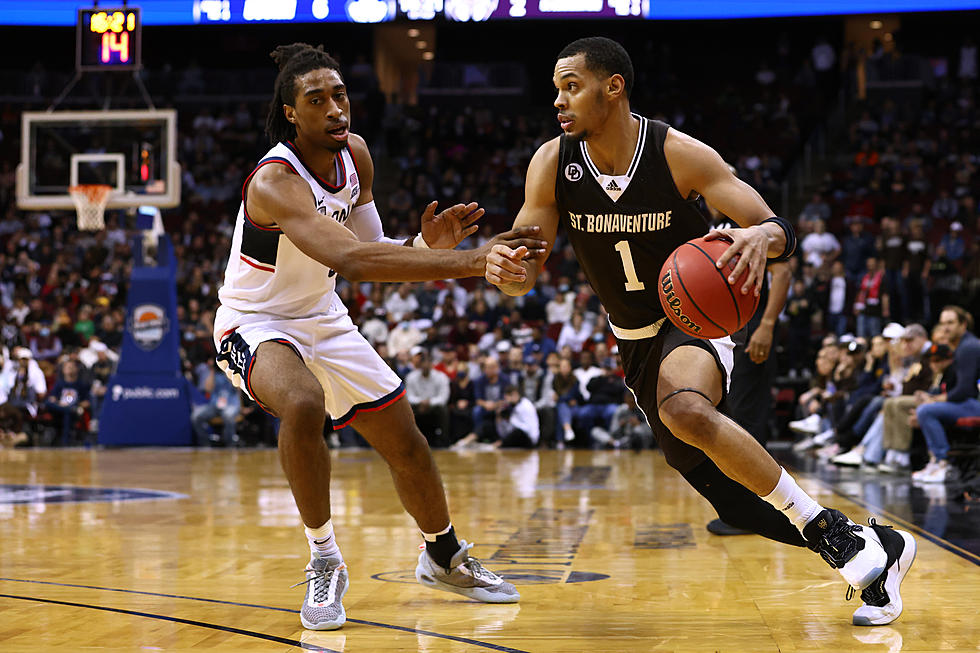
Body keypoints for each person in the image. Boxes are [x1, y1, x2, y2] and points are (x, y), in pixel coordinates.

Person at [484, 37, 914, 627]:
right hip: (631, 339)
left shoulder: (678, 153)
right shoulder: (552, 164)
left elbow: (775, 226)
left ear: (613, 87)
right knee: (737, 501)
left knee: (685, 409)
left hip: (693, 320)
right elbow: (524, 272)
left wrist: (761, 237)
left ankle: (845, 543)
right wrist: (505, 270)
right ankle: (873, 545)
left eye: (571, 85)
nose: (558, 99)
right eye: (556, 88)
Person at [213, 43, 542, 630]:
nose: (336, 109)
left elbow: (374, 249)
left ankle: (442, 555)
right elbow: (356, 261)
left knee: (406, 442)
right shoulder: (275, 181)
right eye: (317, 100)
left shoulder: (356, 155)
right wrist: (471, 261)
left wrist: (425, 249)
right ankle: (324, 557)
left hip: (322, 312)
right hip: (253, 322)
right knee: (304, 402)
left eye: (339, 95)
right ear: (292, 113)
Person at [704, 177, 792, 536]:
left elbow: (783, 270)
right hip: (722, 330)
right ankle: (742, 509)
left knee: (747, 418)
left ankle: (753, 511)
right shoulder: (707, 225)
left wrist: (767, 325)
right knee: (728, 415)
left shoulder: (750, 225)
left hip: (750, 327)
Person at [912, 306, 980, 483]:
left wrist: (933, 400)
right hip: (969, 402)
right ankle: (934, 461)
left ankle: (943, 462)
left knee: (926, 411)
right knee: (924, 408)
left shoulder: (969, 347)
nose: (945, 328)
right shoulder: (961, 346)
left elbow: (965, 390)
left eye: (951, 323)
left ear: (963, 324)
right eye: (942, 323)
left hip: (974, 403)